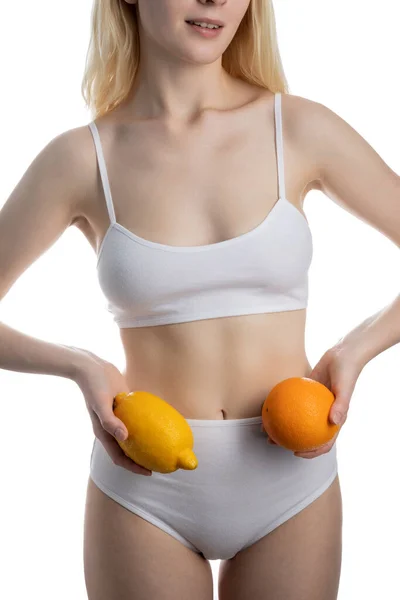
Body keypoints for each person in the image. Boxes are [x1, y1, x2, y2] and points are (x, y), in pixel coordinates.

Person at [1, 1, 399, 599]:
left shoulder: (298, 128)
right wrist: (79, 365)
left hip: (293, 482)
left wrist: (357, 349)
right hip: (144, 492)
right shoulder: (81, 158)